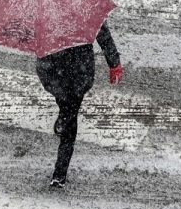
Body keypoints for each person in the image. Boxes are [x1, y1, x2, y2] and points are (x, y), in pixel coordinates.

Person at [35, 21, 123, 188]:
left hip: (63, 68)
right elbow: (101, 30)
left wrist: (114, 62)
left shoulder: (46, 5)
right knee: (68, 110)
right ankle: (63, 116)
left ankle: (60, 172)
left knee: (69, 115)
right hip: (71, 69)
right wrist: (114, 63)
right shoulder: (85, 5)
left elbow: (100, 30)